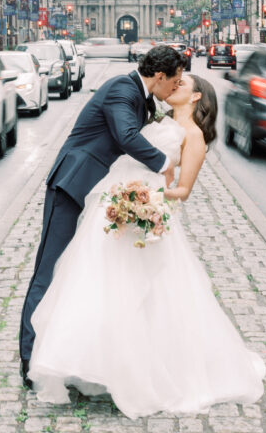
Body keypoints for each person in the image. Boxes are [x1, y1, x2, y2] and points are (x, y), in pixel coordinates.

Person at [28, 72, 265, 417]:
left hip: (142, 212)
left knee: (146, 291)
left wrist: (147, 201)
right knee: (98, 281)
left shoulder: (194, 136)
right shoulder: (156, 116)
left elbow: (182, 189)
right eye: (174, 81)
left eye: (182, 85)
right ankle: (95, 361)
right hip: (112, 207)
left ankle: (146, 369)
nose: (174, 86)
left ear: (196, 97)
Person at [19, 45, 184, 384]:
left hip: (99, 193)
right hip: (71, 185)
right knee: (48, 270)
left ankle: (68, 353)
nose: (174, 89)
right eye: (174, 81)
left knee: (75, 273)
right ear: (159, 76)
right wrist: (165, 164)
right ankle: (29, 360)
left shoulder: (145, 99)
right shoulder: (122, 88)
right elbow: (125, 136)